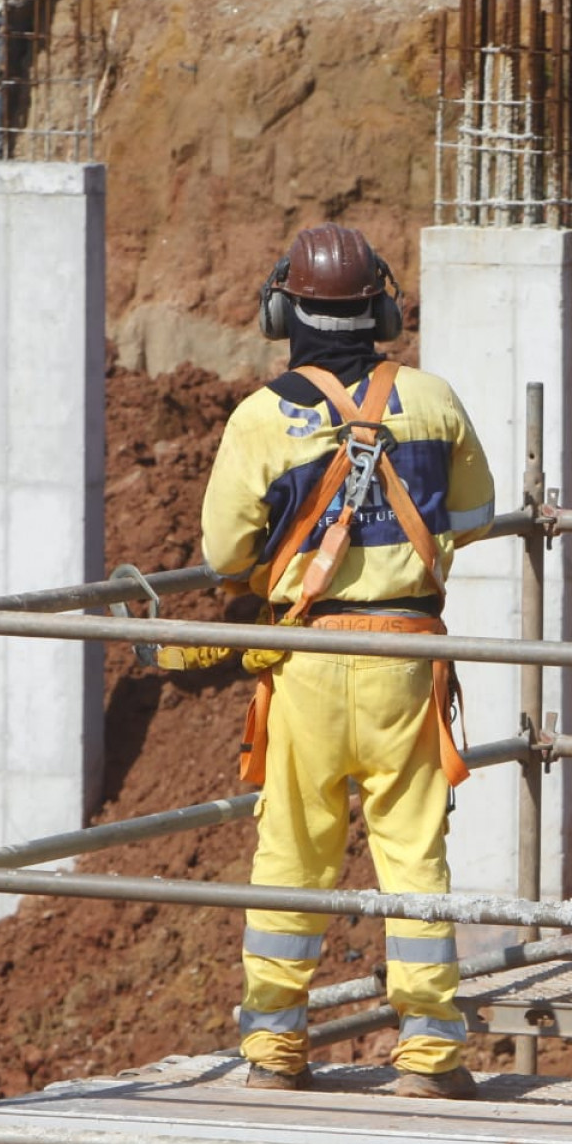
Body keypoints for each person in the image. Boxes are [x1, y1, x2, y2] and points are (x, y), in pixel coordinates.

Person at [201, 224, 496, 1098]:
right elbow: (474, 516)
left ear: (281, 309)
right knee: (412, 855)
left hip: (307, 657)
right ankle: (432, 1057)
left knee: (292, 855)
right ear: (382, 307)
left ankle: (275, 1053)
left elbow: (223, 555)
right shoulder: (434, 399)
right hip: (405, 655)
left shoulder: (262, 416)